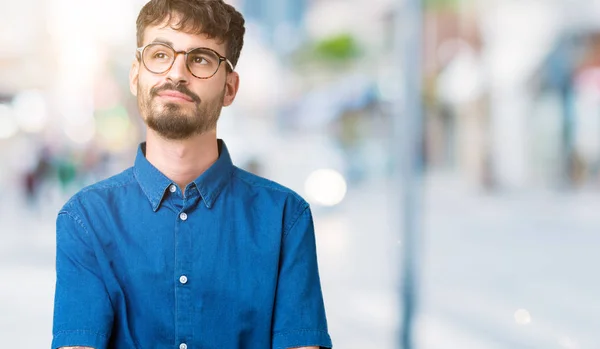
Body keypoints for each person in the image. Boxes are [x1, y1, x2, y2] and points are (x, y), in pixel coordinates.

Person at [51, 1, 332, 348]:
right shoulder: (85, 220)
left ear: (230, 87)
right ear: (136, 75)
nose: (176, 73)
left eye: (200, 59)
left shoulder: (286, 218)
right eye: (159, 54)